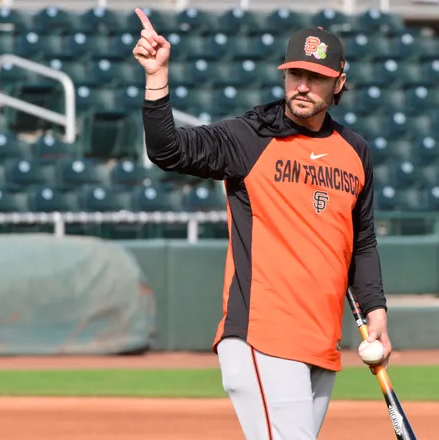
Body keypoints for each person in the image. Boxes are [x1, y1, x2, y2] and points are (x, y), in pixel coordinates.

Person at [132, 8, 392, 439]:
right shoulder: (250, 137)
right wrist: (157, 80)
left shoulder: (355, 151)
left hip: (321, 344)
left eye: (317, 77)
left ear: (339, 83)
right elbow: (169, 151)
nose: (303, 86)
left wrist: (376, 310)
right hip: (260, 335)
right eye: (295, 75)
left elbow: (361, 242)